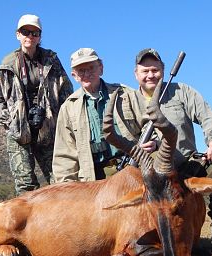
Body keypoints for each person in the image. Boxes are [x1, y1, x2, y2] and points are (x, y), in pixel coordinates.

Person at [134, 48, 212, 254]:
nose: (150, 75)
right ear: (136, 74)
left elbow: (206, 116)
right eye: (145, 70)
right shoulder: (129, 100)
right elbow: (126, 135)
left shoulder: (181, 91)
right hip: (154, 168)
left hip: (186, 162)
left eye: (155, 70)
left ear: (163, 71)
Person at [0, 14, 73, 195]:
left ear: (40, 36)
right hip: (19, 133)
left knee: (59, 181)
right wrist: (11, 120)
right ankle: (28, 223)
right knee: (25, 185)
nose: (30, 36)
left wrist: (63, 121)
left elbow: (66, 91)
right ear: (17, 34)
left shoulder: (51, 61)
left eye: (35, 32)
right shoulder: (7, 65)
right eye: (25, 31)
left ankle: (56, 221)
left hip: (48, 130)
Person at [52, 48, 156, 182]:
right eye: (81, 71)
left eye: (91, 68)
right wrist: (67, 189)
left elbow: (152, 124)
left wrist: (154, 142)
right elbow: (64, 157)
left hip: (133, 170)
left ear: (101, 68)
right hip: (94, 181)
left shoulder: (126, 94)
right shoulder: (68, 108)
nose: (87, 73)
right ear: (74, 75)